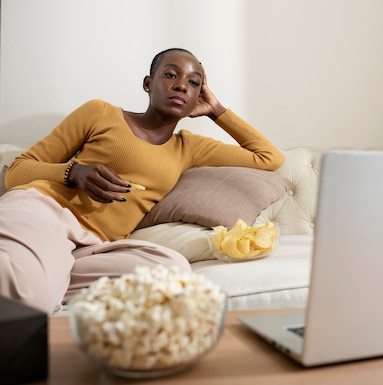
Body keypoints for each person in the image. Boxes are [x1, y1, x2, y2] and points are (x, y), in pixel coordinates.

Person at [0, 48, 285, 314]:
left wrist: (216, 110)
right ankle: (39, 282)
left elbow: (269, 157)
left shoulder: (190, 148)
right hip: (44, 212)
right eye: (171, 75)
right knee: (33, 300)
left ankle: (46, 276)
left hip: (92, 246)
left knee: (171, 270)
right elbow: (18, 171)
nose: (182, 85)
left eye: (194, 83)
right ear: (148, 83)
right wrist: (73, 172)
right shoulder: (100, 113)